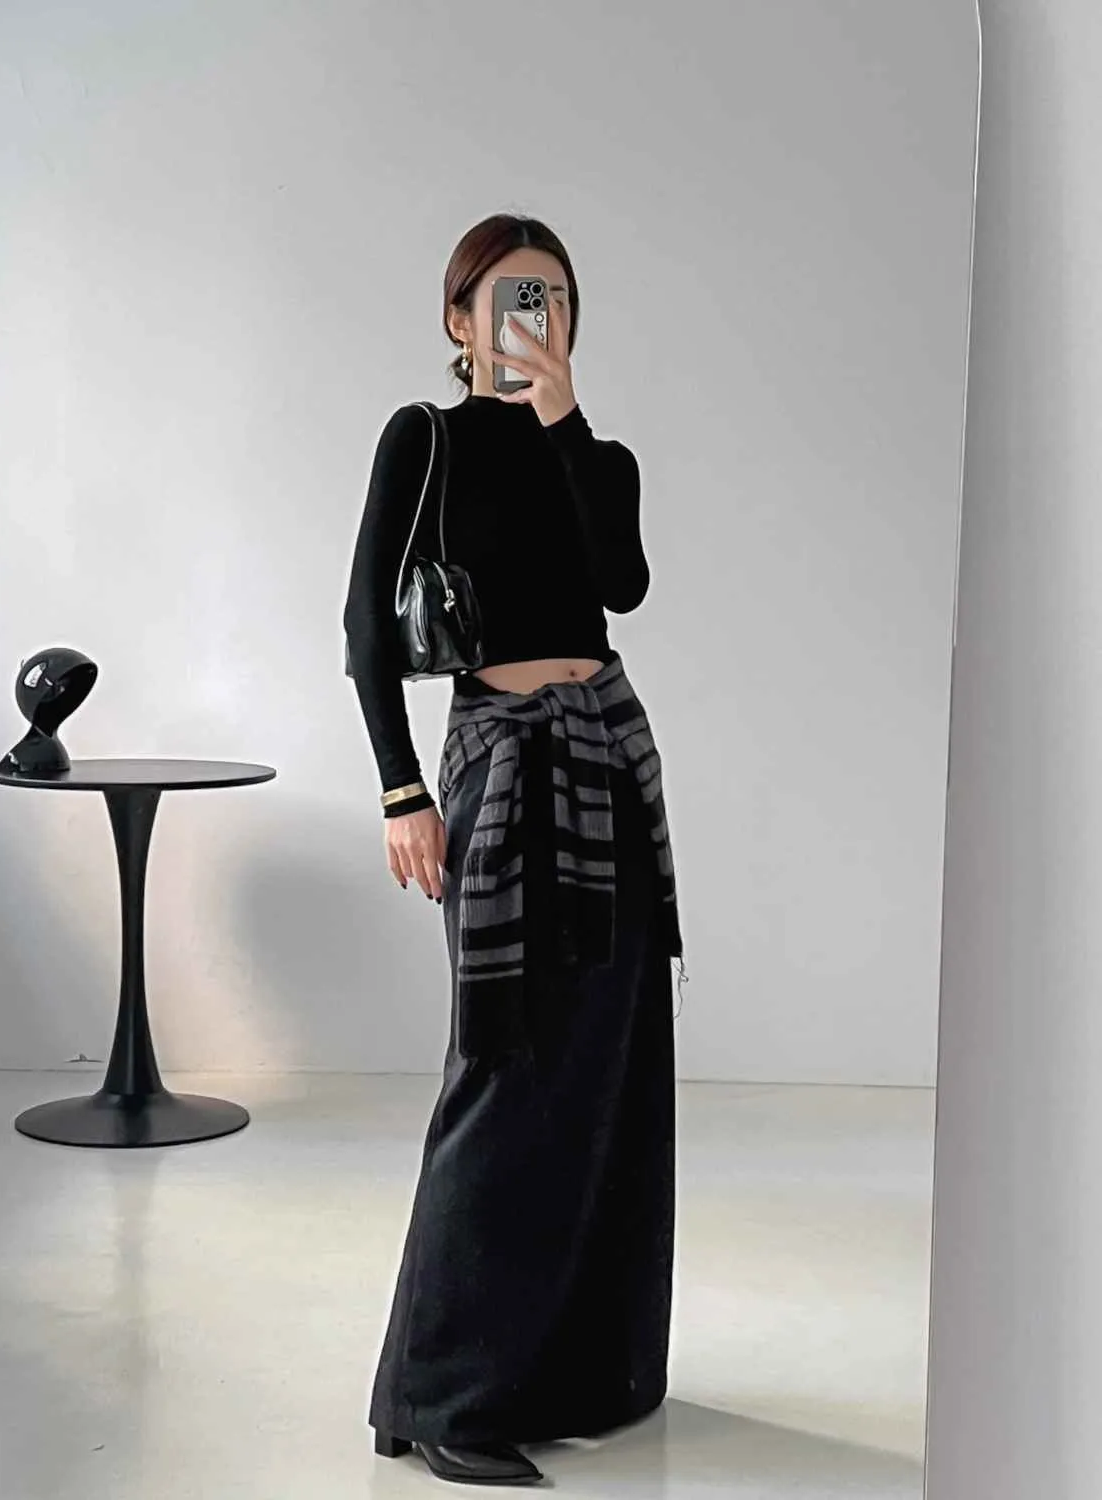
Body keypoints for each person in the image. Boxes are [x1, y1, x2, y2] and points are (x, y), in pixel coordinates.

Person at [342, 212, 686, 1489]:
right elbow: (365, 628)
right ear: (459, 319)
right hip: (499, 762)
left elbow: (622, 582)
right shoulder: (423, 439)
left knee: (610, 1066)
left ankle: (586, 1373)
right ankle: (442, 1397)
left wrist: (563, 422)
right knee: (502, 1062)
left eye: (552, 297)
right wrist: (400, 790)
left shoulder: (600, 456)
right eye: (507, 295)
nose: (532, 316)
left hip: (609, 759)